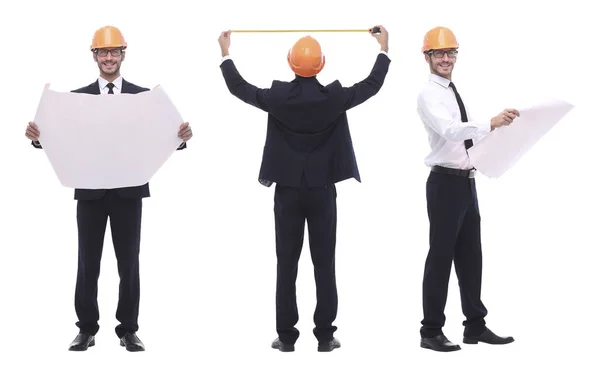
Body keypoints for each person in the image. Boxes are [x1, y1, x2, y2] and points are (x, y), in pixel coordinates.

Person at [217, 26, 390, 352]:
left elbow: (239, 88)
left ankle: (286, 338)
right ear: (321, 65)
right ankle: (325, 337)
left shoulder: (278, 97)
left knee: (287, 264)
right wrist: (383, 47)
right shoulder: (334, 98)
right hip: (322, 191)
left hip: (287, 192)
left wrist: (226, 54)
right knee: (324, 263)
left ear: (290, 63)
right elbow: (372, 84)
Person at [24, 25, 193, 352]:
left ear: (122, 55)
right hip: (89, 192)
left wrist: (180, 138)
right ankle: (86, 329)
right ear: (95, 56)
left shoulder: (144, 97)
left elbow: (159, 134)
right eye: (103, 52)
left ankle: (128, 329)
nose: (109, 57)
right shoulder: (76, 98)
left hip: (129, 192)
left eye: (114, 51)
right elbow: (63, 138)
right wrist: (38, 136)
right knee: (88, 261)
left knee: (129, 262)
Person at [416, 26, 518, 352]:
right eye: (439, 54)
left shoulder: (450, 90)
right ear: (427, 57)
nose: (446, 59)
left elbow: (468, 137)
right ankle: (430, 331)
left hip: (466, 183)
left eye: (450, 53)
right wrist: (490, 122)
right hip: (444, 184)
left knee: (471, 257)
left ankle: (475, 326)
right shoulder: (429, 94)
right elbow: (450, 130)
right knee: (441, 258)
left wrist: (503, 131)